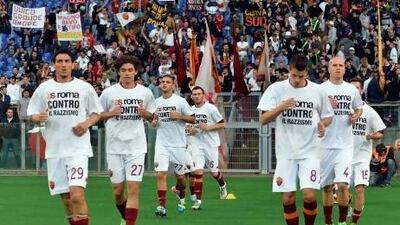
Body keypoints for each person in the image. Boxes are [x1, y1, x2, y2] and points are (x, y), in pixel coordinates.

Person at [27, 49, 103, 225]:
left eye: (67, 61)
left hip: (78, 149)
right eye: (59, 61)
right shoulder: (44, 89)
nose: (63, 65)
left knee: (77, 195)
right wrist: (36, 117)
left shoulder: (84, 88)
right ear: (54, 65)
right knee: (67, 200)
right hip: (55, 150)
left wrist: (86, 124)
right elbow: (31, 114)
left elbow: (96, 113)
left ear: (72, 64)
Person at [258, 54, 334, 225]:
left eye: (301, 76)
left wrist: (322, 124)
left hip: (311, 152)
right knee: (287, 198)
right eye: (294, 75)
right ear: (289, 71)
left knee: (309, 195)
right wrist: (281, 107)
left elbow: (328, 117)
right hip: (286, 152)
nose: (297, 80)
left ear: (307, 73)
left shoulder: (318, 91)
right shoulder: (277, 89)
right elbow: (263, 119)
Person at [99, 55, 156, 225]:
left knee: (133, 189)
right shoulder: (109, 93)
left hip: (136, 147)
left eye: (130, 70)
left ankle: (129, 222)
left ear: (136, 72)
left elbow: (154, 118)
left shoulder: (145, 92)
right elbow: (97, 115)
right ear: (118, 72)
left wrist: (148, 115)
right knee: (118, 192)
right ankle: (125, 217)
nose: (127, 73)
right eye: (123, 70)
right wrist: (111, 113)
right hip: (114, 147)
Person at [320, 57, 363, 225]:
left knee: (343, 185)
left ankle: (342, 221)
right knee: (327, 187)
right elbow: (314, 111)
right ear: (329, 68)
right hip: (324, 145)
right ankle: (328, 221)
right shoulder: (320, 89)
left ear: (345, 69)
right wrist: (326, 106)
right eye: (334, 65)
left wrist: (356, 115)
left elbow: (359, 107)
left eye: (341, 66)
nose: (338, 68)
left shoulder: (351, 90)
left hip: (345, 145)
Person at [151, 74, 195, 217]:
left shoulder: (180, 101)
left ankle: (178, 189)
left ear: (173, 85)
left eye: (167, 82)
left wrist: (180, 116)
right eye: (162, 81)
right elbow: (152, 121)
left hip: (178, 145)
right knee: (161, 174)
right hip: (162, 144)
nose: (164, 84)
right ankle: (162, 206)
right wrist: (152, 123)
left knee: (181, 179)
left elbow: (193, 118)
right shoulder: (155, 102)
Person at [349, 78, 386, 224]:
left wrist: (372, 135)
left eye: (357, 88)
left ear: (361, 90)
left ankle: (354, 222)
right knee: (342, 190)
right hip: (343, 156)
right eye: (352, 88)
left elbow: (381, 132)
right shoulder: (341, 110)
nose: (355, 91)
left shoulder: (369, 111)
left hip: (362, 157)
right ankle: (347, 203)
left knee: (359, 189)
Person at [187, 86, 228, 210]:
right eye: (194, 94)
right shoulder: (190, 110)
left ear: (203, 95)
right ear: (192, 96)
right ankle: (198, 201)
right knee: (197, 172)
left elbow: (223, 124)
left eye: (199, 94)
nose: (197, 96)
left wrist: (208, 128)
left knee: (214, 172)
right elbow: (187, 127)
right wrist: (190, 130)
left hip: (210, 145)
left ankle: (222, 185)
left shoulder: (211, 108)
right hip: (196, 145)